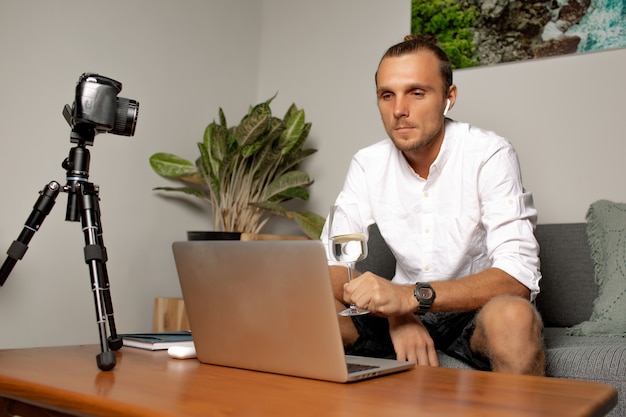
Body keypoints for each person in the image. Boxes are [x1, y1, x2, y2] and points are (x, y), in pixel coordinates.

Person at [322, 35, 545, 375]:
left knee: (513, 316)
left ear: (448, 98)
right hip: (399, 312)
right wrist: (397, 311)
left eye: (416, 92)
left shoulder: (489, 153)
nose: (399, 110)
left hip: (471, 312)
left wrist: (412, 296)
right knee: (302, 307)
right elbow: (330, 266)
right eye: (387, 95)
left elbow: (517, 278)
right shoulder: (368, 163)